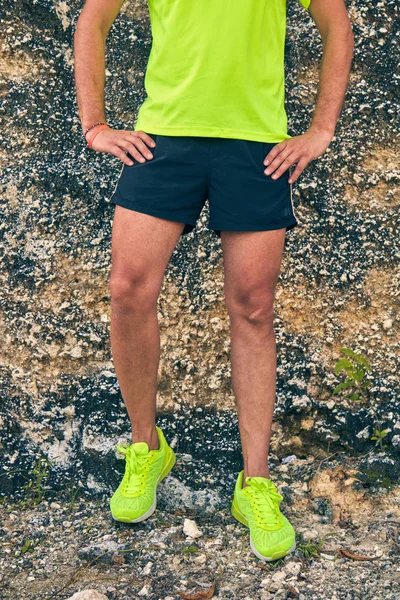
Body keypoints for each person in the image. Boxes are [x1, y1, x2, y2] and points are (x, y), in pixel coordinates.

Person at [74, 0, 354, 561]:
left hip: (255, 145)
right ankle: (146, 447)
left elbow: (336, 23)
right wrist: (95, 125)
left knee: (252, 306)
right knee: (128, 291)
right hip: (165, 139)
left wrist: (322, 128)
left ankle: (254, 484)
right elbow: (92, 20)